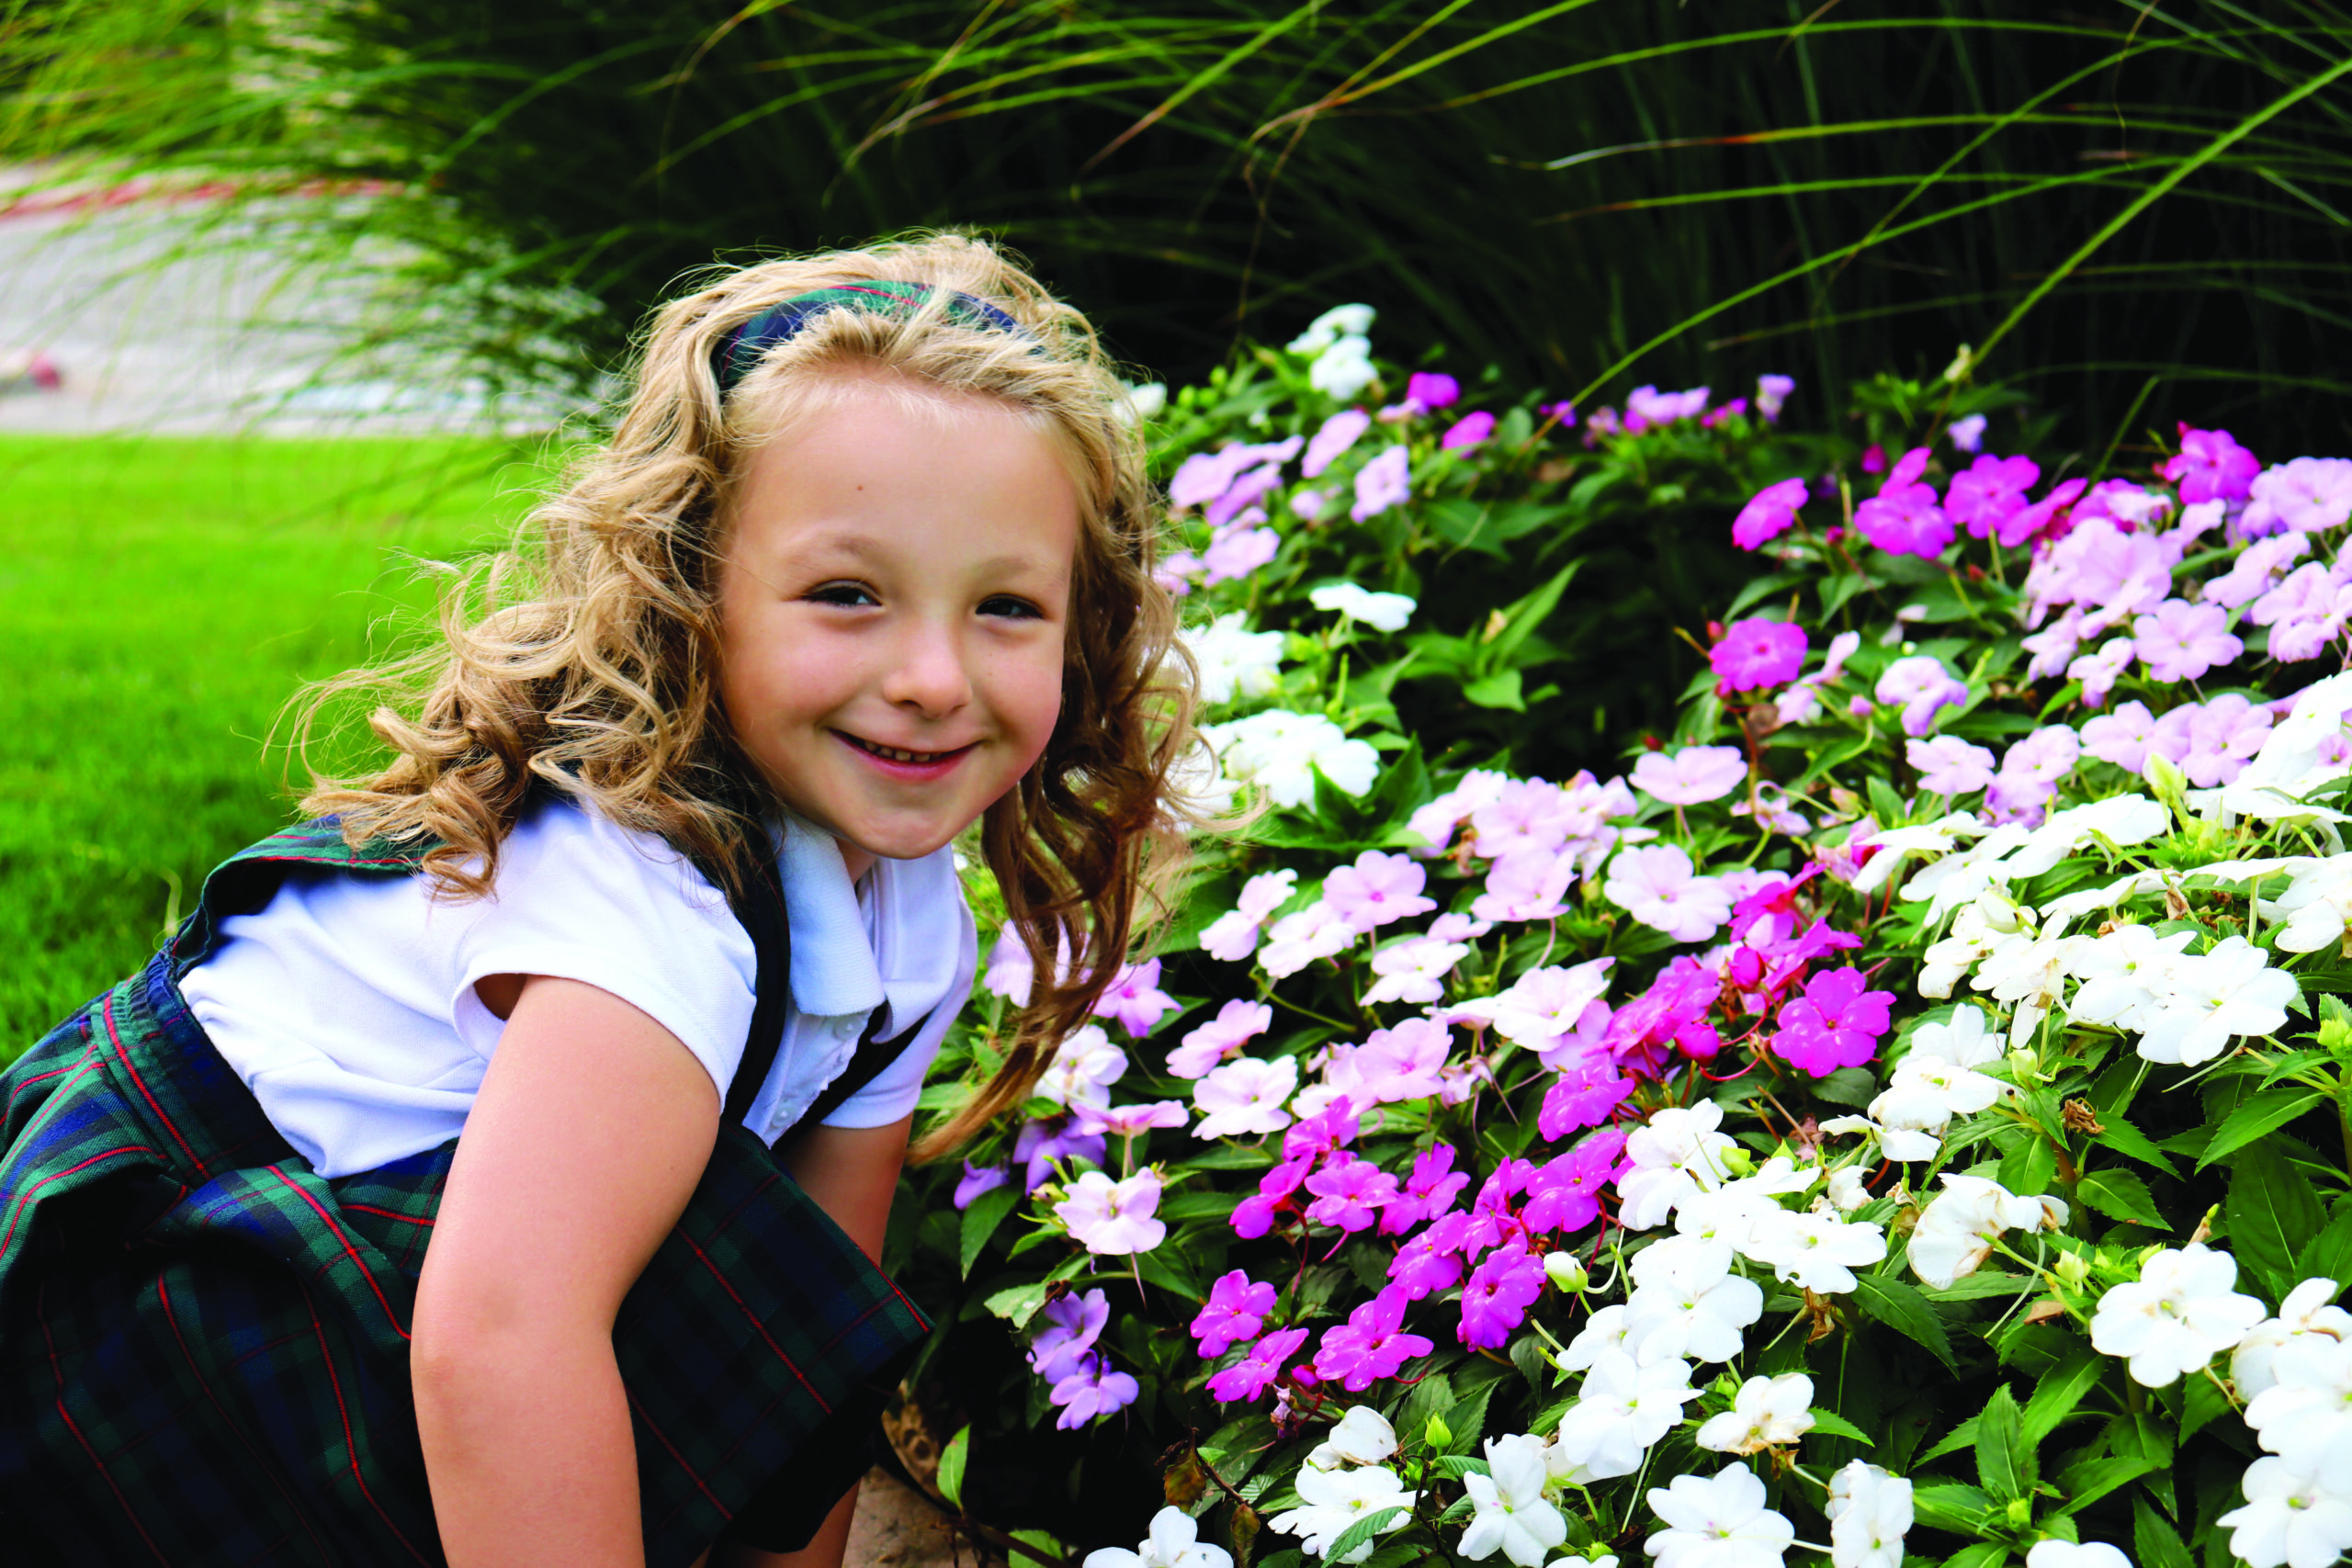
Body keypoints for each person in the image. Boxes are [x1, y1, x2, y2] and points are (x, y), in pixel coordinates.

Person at [0, 233, 1197, 1567]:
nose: (931, 673)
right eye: (847, 595)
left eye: (1007, 607)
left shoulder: (909, 924)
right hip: (149, 1308)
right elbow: (502, 1342)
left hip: (397, 1282)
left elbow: (801, 1353)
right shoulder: (643, 910)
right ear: (692, 593)